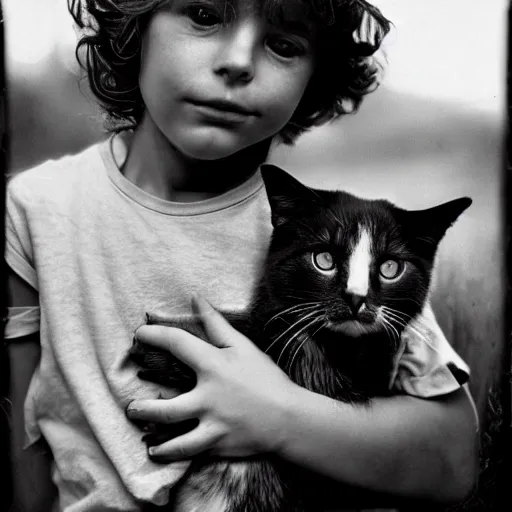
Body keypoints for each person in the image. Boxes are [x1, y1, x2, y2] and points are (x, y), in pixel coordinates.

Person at [5, 0, 479, 511]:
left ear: (315, 75)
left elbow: (453, 458)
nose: (239, 61)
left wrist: (275, 416)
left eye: (284, 44)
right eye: (205, 16)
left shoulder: (339, 234)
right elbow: (24, 440)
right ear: (134, 22)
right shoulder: (35, 208)